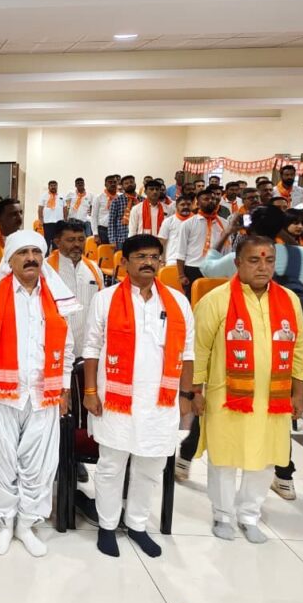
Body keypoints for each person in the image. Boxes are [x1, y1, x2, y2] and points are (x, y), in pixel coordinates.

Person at [82, 234, 195, 558]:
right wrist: (90, 392)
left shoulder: (178, 302)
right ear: (125, 262)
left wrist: (186, 395)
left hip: (160, 401)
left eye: (154, 257)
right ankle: (107, 526)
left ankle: (137, 525)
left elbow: (188, 353)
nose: (149, 263)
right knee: (111, 466)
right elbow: (91, 348)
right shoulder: (105, 299)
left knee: (150, 467)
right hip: (115, 399)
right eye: (141, 257)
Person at [0, 230, 74, 557]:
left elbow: (67, 347)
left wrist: (65, 387)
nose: (30, 258)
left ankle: (26, 524)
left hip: (44, 393)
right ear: (9, 260)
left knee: (39, 463)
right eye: (23, 252)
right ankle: (4, 522)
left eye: (36, 252)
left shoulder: (57, 296)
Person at [192, 235, 303, 543]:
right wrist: (195, 392)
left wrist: (298, 393)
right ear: (238, 262)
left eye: (269, 260)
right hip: (227, 394)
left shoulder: (289, 300)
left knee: (265, 457)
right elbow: (199, 351)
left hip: (273, 397)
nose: (263, 267)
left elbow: (298, 350)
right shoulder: (216, 300)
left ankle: (249, 515)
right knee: (224, 457)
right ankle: (223, 514)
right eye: (254, 260)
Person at [48, 220, 102, 361]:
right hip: (55, 348)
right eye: (70, 240)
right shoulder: (46, 270)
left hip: (87, 349)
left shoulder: (94, 269)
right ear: (57, 242)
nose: (77, 244)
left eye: (81, 239)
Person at [176, 188, 228, 297]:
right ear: (198, 203)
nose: (211, 201)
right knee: (194, 300)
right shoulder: (188, 224)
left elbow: (227, 250)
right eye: (206, 199)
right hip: (194, 268)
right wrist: (181, 275)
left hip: (217, 268)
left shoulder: (224, 223)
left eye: (213, 199)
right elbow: (181, 251)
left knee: (215, 300)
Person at [159, 193, 193, 262]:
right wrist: (162, 261)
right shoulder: (168, 221)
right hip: (172, 260)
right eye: (182, 205)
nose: (186, 207)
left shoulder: (198, 221)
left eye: (188, 204)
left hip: (191, 261)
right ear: (176, 206)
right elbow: (162, 242)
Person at [108, 175, 140, 249]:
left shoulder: (142, 200)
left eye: (131, 182)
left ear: (135, 183)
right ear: (122, 186)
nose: (129, 184)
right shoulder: (116, 201)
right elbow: (111, 222)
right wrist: (112, 240)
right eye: (126, 183)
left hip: (139, 237)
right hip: (122, 238)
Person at [91, 174, 120, 245]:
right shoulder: (98, 197)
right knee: (104, 251)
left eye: (114, 182)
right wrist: (95, 234)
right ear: (105, 184)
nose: (113, 184)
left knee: (118, 250)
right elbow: (94, 216)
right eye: (110, 182)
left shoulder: (121, 197)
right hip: (103, 230)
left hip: (118, 230)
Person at [37, 180, 65, 251]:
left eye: (55, 185)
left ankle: (55, 255)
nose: (53, 187)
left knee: (57, 241)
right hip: (47, 222)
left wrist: (65, 220)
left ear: (57, 186)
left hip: (59, 223)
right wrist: (41, 220)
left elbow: (65, 208)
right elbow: (40, 208)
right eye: (51, 186)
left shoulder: (62, 196)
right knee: (47, 241)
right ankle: (46, 256)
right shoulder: (44, 196)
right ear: (48, 187)